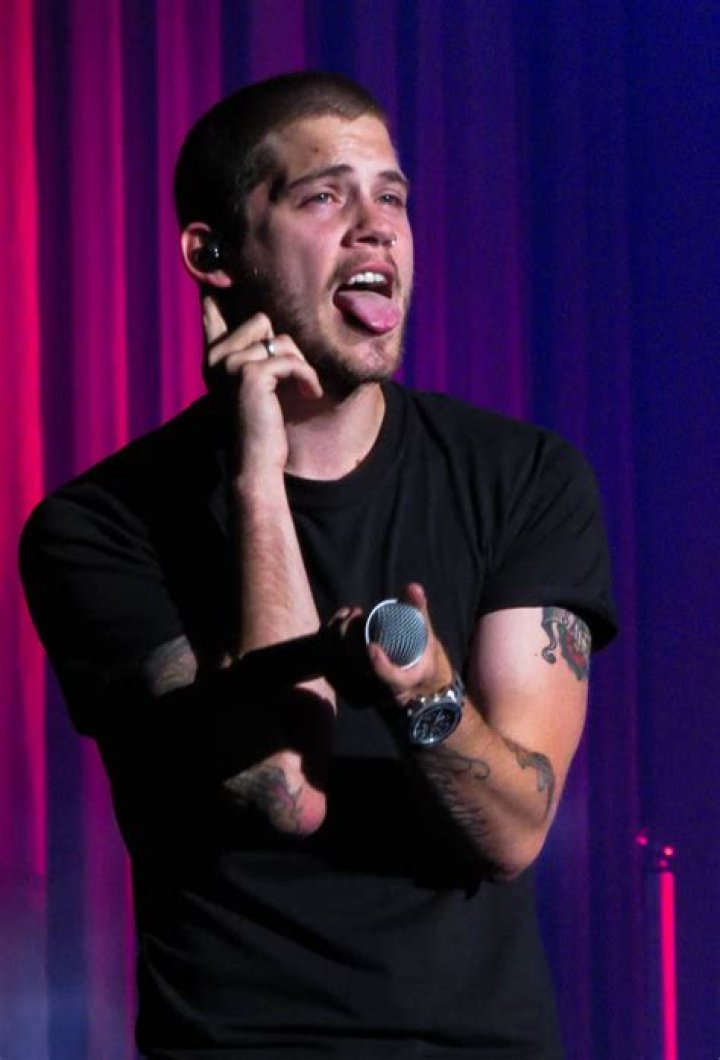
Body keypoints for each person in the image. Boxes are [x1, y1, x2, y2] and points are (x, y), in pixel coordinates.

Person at [20, 71, 617, 1059]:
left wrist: (422, 689)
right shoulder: (97, 528)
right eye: (324, 196)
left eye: (392, 196)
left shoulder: (523, 479)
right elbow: (283, 790)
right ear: (212, 255)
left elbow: (513, 832)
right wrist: (257, 478)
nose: (377, 228)